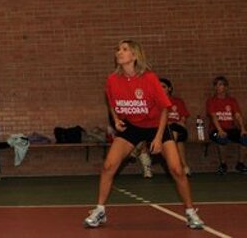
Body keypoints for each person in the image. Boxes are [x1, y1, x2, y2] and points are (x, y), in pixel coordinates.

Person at [83, 40, 204, 230]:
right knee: (108, 166)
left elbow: (164, 108)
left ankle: (190, 212)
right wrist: (116, 119)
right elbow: (111, 101)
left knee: (177, 169)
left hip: (156, 126)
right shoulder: (112, 80)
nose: (119, 52)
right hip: (132, 126)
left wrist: (158, 138)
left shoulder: (149, 78)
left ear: (134, 56)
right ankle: (100, 210)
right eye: (118, 49)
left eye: (124, 50)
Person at [205, 75, 247, 175]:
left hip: (230, 128)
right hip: (215, 130)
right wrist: (219, 130)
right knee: (222, 139)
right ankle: (223, 165)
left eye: (220, 85)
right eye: (216, 85)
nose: (217, 87)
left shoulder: (232, 101)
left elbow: (237, 115)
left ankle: (240, 164)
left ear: (226, 87)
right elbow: (213, 117)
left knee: (245, 138)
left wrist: (243, 129)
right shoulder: (211, 101)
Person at [160, 77, 191, 176]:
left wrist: (177, 122)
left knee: (175, 132)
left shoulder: (178, 101)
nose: (161, 89)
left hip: (178, 127)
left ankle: (175, 166)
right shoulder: (157, 102)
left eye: (164, 87)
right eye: (159, 87)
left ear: (169, 88)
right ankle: (183, 166)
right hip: (164, 130)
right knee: (175, 138)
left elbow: (183, 118)